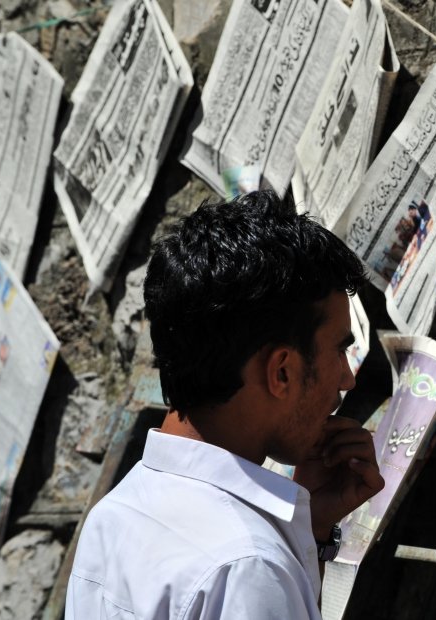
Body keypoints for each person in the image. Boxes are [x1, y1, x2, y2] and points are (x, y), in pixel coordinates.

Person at [65, 190, 385, 619]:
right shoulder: (248, 568)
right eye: (339, 350)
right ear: (282, 372)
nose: (346, 378)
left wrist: (308, 532)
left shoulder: (116, 513)